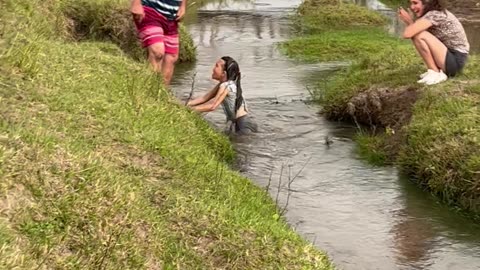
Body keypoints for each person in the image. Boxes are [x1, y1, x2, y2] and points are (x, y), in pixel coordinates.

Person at [398, 0, 470, 85]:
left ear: (427, 2)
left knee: (419, 35)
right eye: (411, 3)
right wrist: (411, 23)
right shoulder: (429, 14)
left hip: (455, 61)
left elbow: (408, 34)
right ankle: (433, 71)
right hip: (449, 58)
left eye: (415, 3)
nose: (412, 7)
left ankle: (435, 72)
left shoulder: (435, 14)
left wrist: (409, 21)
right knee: (417, 33)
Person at [187, 56, 258, 135]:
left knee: (241, 146)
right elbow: (204, 98)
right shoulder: (225, 84)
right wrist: (184, 105)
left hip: (243, 125)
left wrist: (189, 110)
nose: (213, 68)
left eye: (216, 66)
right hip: (243, 122)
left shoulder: (225, 86)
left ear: (223, 73)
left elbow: (212, 106)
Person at [130, 0, 187, 85]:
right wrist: (136, 3)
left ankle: (161, 94)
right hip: (150, 10)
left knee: (171, 58)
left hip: (172, 16)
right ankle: (150, 90)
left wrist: (183, 6)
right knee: (157, 52)